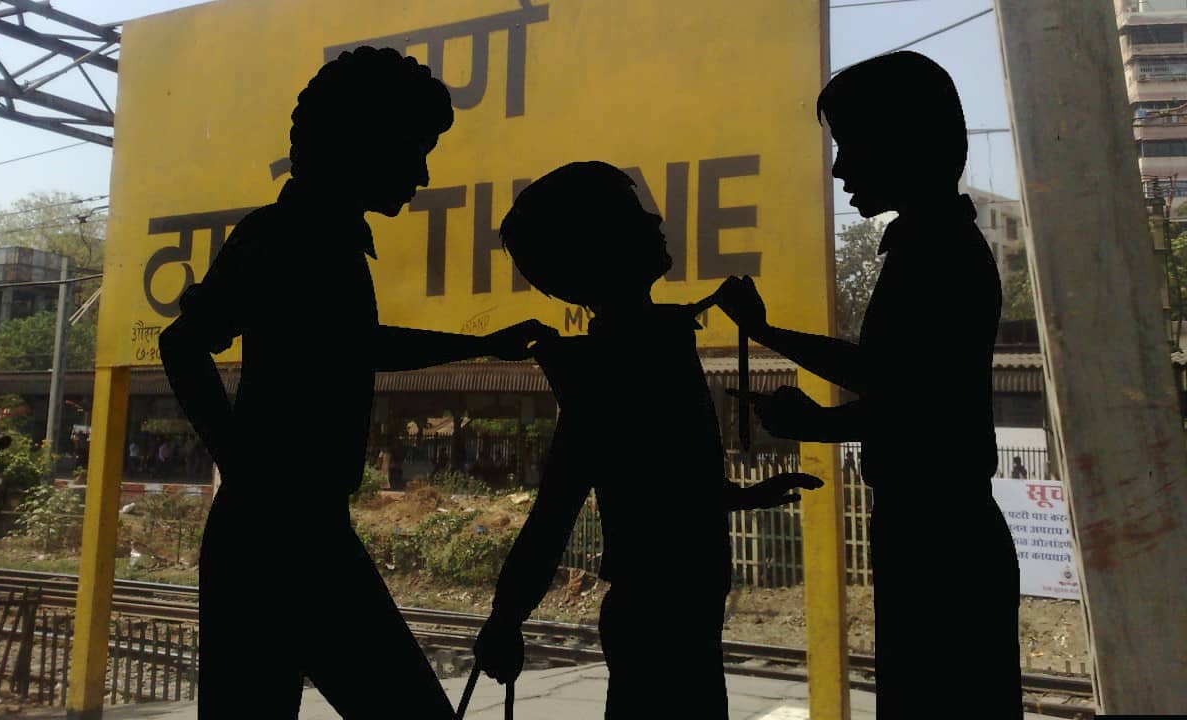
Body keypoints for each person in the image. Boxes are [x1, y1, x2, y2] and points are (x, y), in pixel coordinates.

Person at [159, 46, 554, 720]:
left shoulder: (310, 237)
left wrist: (484, 344)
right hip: (286, 536)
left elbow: (352, 344)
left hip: (280, 529)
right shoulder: (288, 235)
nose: (421, 173)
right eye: (413, 149)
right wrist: (246, 467)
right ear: (360, 144)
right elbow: (184, 343)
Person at [715, 51, 1023, 718]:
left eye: (851, 145)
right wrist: (767, 335)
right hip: (940, 529)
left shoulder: (934, 255)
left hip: (935, 537)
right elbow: (890, 377)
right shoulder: (935, 246)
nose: (839, 169)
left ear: (903, 146)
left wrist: (814, 424)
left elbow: (917, 407)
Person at [472, 161, 823, 719]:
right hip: (665, 617)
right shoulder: (624, 360)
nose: (655, 221)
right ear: (603, 248)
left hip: (667, 612)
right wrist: (506, 617)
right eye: (635, 216)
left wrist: (736, 496)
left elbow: (653, 483)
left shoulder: (634, 350)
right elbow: (562, 502)